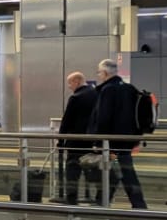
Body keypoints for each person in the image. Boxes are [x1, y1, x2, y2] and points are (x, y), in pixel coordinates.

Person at [88, 58, 149, 209]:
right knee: (117, 173)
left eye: (99, 72)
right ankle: (102, 202)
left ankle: (139, 206)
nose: (99, 75)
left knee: (123, 174)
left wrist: (98, 141)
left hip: (112, 141)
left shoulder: (108, 90)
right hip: (127, 139)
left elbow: (104, 117)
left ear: (104, 73)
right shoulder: (129, 88)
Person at [57, 70, 97, 204]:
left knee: (72, 172)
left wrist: (60, 141)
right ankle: (99, 199)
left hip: (76, 142)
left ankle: (71, 199)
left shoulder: (76, 97)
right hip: (94, 141)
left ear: (77, 81)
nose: (69, 86)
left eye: (70, 83)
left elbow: (66, 121)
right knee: (92, 170)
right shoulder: (97, 94)